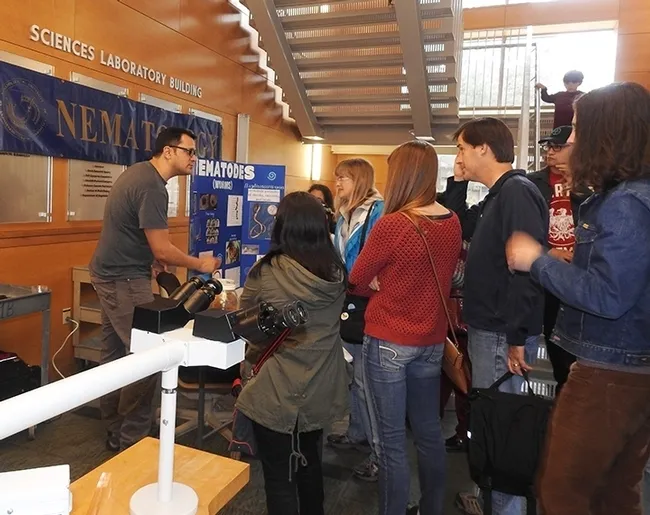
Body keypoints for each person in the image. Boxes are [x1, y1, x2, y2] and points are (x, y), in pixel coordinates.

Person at [507, 81, 650, 515]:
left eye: (578, 129)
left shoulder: (625, 204)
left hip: (609, 373)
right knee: (614, 492)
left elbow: (609, 297)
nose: (570, 140)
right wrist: (576, 259)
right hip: (629, 369)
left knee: (562, 491)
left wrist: (538, 261)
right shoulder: (630, 197)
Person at [89, 127, 221, 452]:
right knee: (148, 357)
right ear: (168, 151)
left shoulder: (140, 174)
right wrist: (199, 264)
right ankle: (131, 440)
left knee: (115, 356)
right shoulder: (152, 187)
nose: (194, 158)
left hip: (112, 273)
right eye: (189, 151)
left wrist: (151, 259)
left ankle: (114, 427)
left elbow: (138, 237)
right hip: (123, 279)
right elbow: (162, 249)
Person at [350, 140, 462, 515]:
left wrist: (378, 284)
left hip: (388, 342)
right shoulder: (451, 221)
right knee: (430, 432)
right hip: (431, 341)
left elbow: (357, 279)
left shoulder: (393, 224)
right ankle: (431, 508)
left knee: (391, 441)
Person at [453, 117, 548, 515]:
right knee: (493, 423)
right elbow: (463, 225)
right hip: (492, 329)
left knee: (504, 427)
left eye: (461, 148)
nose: (457, 157)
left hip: (500, 333)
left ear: (483, 149)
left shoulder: (516, 193)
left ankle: (504, 506)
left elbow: (527, 270)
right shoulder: (498, 194)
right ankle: (491, 498)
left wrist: (516, 337)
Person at [235, 192, 349, 515]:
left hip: (275, 388)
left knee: (279, 480)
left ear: (282, 226)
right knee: (310, 465)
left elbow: (247, 325)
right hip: (320, 388)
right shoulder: (337, 274)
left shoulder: (266, 272)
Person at [327, 158, 384, 482]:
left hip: (368, 303)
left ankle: (378, 455)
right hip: (348, 299)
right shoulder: (344, 215)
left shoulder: (378, 212)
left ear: (359, 181)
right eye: (337, 178)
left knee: (365, 382)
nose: (338, 184)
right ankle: (357, 432)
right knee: (354, 377)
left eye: (344, 179)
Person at [527, 125, 590, 394]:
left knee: (570, 361)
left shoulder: (591, 187)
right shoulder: (531, 183)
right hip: (539, 275)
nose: (550, 152)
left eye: (558, 146)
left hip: (575, 280)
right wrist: (544, 252)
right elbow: (523, 229)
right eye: (547, 147)